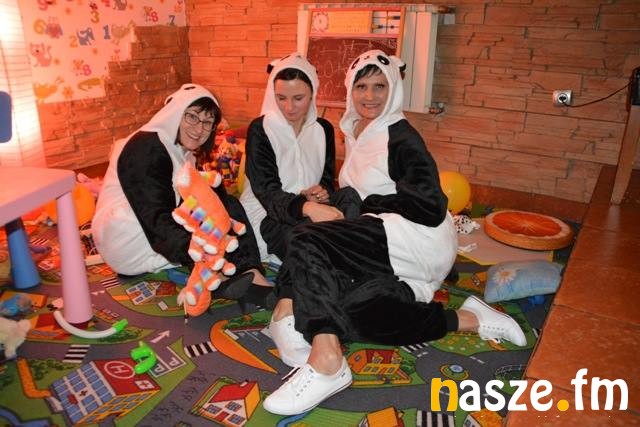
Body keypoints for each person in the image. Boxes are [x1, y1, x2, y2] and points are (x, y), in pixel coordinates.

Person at [262, 51, 527, 416]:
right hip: (390, 247)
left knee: (306, 238)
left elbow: (430, 205)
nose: (370, 96)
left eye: (380, 86)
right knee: (350, 312)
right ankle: (470, 318)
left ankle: (326, 361)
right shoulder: (356, 129)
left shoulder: (400, 136)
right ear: (350, 89)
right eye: (362, 86)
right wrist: (334, 199)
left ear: (394, 89)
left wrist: (365, 203)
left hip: (417, 238)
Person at [92, 83, 271, 306]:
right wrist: (205, 254)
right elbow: (156, 218)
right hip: (128, 241)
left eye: (207, 122)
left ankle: (241, 274)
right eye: (192, 117)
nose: (199, 129)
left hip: (151, 249)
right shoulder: (147, 146)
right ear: (175, 112)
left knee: (222, 205)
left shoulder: (181, 152)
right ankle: (235, 273)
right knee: (220, 208)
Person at [240, 53, 355, 265]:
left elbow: (327, 181)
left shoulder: (323, 129)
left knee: (350, 196)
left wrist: (320, 194)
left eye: (298, 98)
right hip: (270, 215)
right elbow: (268, 193)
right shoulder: (260, 129)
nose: (289, 107)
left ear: (312, 94)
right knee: (312, 242)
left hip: (308, 207)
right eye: (281, 98)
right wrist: (307, 206)